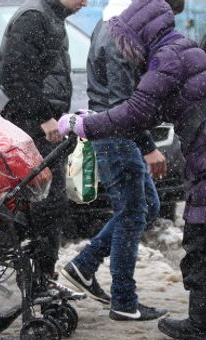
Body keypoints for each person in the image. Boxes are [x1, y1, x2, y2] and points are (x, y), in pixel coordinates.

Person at [58, 0, 206, 340]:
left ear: (141, 32)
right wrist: (94, 116)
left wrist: (86, 124)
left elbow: (138, 110)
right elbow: (155, 108)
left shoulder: (166, 57)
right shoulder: (179, 47)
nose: (128, 51)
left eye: (129, 42)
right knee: (198, 242)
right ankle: (200, 323)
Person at [61, 0, 183, 322]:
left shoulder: (112, 26)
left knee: (146, 207)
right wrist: (148, 147)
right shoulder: (119, 37)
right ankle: (124, 301)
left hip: (115, 133)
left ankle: (85, 264)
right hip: (115, 138)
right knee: (132, 214)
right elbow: (122, 105)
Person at [0, 0, 87, 284]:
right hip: (34, 128)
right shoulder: (35, 17)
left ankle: (40, 276)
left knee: (49, 206)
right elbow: (15, 74)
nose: (85, 1)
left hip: (45, 125)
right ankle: (38, 279)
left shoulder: (51, 16)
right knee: (45, 205)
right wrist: (43, 116)